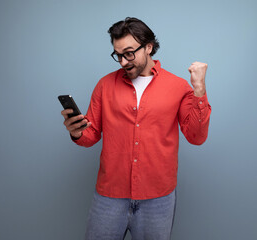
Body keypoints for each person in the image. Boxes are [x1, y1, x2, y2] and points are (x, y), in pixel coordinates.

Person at [61, 17, 211, 240]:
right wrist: (76, 131)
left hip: (158, 199)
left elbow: (196, 137)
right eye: (118, 55)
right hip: (109, 196)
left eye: (129, 53)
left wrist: (199, 90)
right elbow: (90, 135)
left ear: (148, 47)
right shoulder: (104, 85)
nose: (123, 61)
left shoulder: (178, 87)